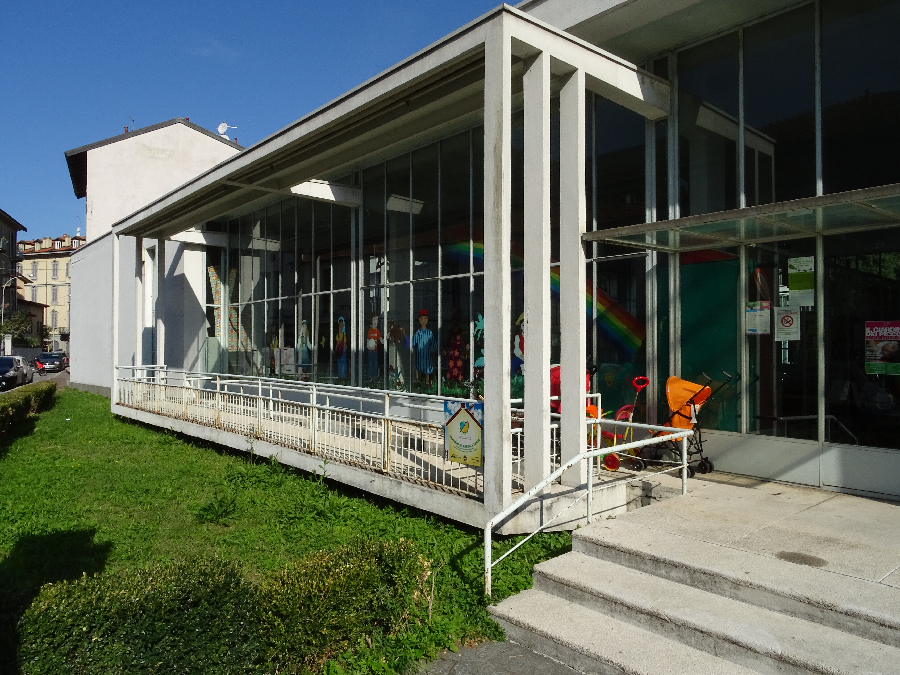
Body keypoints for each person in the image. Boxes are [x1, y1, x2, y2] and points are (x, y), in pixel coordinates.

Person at [410, 308, 437, 388]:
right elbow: (413, 342)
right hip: (420, 354)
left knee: (427, 367)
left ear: (427, 319)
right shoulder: (418, 333)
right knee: (419, 367)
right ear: (419, 320)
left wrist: (435, 348)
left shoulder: (429, 333)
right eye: (422, 318)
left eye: (425, 318)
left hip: (427, 354)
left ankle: (427, 382)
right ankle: (418, 381)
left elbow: (433, 343)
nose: (423, 320)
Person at [443, 308, 468, 383]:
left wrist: (465, 351)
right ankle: (451, 382)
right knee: (451, 366)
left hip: (458, 352)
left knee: (459, 366)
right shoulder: (451, 330)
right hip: (452, 352)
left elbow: (462, 342)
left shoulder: (460, 331)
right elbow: (448, 341)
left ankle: (458, 381)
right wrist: (445, 349)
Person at [366, 314, 383, 380]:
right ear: (372, 321)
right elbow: (368, 340)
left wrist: (386, 337)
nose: (376, 321)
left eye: (377, 319)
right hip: (370, 350)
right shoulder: (370, 330)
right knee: (370, 363)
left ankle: (375, 377)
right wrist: (369, 347)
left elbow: (381, 341)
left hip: (375, 350)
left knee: (375, 363)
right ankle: (369, 376)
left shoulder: (377, 331)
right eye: (375, 319)